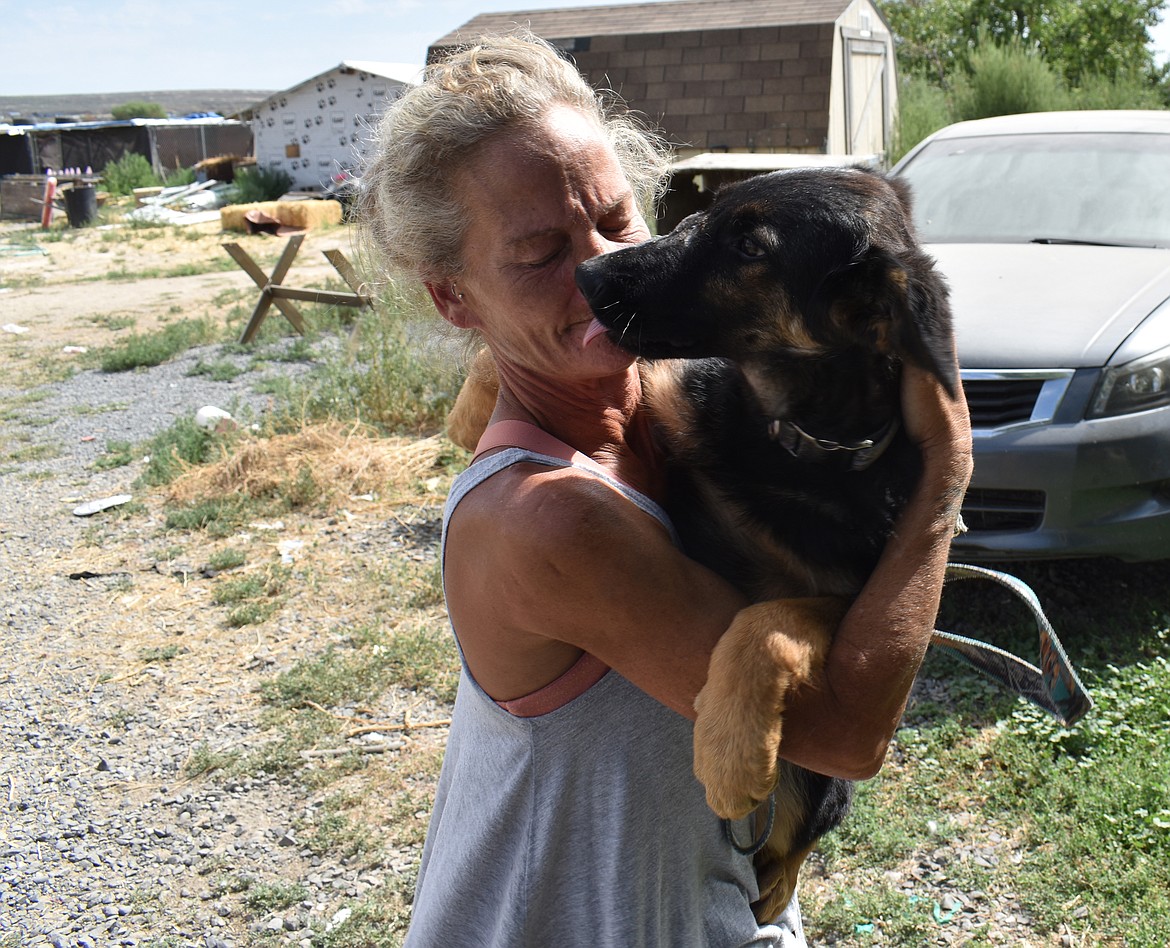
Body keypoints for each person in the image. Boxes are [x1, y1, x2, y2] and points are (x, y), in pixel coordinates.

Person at [359, 32, 972, 948]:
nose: (600, 266)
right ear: (454, 298)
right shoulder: (549, 518)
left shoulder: (662, 393)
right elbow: (846, 738)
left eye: (614, 217)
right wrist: (943, 482)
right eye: (539, 254)